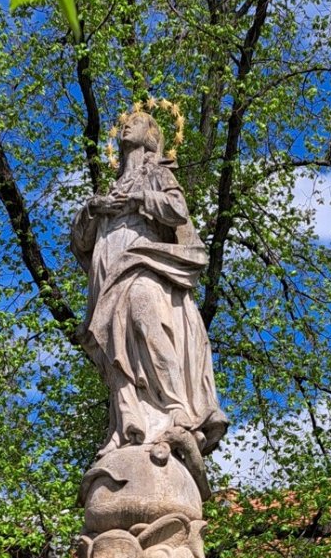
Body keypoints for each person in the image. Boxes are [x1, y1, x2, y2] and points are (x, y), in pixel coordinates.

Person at [70, 107, 227, 489]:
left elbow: (177, 211)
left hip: (143, 262)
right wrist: (93, 209)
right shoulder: (109, 189)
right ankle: (129, 423)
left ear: (153, 137)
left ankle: (175, 408)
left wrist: (139, 198)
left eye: (137, 122)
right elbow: (81, 243)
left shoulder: (156, 173)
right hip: (106, 278)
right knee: (114, 346)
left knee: (143, 312)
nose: (127, 124)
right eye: (125, 122)